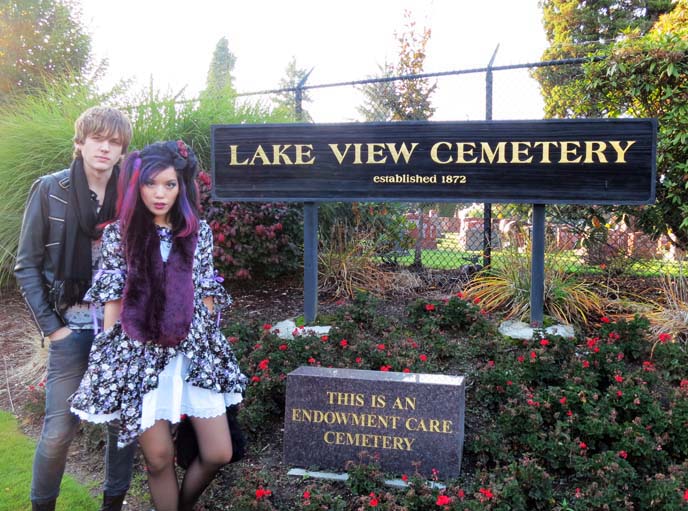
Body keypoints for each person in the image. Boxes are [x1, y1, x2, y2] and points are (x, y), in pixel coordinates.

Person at [69, 140, 247, 511]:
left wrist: (213, 347)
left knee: (218, 451)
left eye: (169, 184)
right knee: (159, 458)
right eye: (151, 184)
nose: (160, 193)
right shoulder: (121, 234)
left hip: (193, 352)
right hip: (140, 356)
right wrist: (108, 356)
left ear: (181, 186)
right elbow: (114, 297)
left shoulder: (199, 233)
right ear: (138, 186)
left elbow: (208, 293)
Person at [14, 106, 137, 511]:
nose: (105, 147)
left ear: (122, 150)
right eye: (97, 139)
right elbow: (27, 265)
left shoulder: (131, 193)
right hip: (71, 327)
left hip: (120, 330)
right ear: (80, 142)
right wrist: (53, 329)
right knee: (57, 432)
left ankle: (112, 506)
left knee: (122, 429)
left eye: (114, 141)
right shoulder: (51, 189)